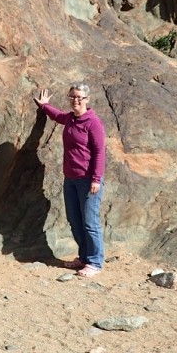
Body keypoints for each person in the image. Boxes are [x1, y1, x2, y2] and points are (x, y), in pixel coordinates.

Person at [33, 82, 106, 277]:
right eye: (72, 97)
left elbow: (100, 152)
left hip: (88, 179)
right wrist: (44, 105)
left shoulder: (93, 122)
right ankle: (83, 257)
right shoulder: (71, 119)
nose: (75, 100)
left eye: (79, 97)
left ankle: (95, 262)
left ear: (87, 99)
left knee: (90, 222)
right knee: (75, 220)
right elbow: (57, 115)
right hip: (71, 179)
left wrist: (96, 179)